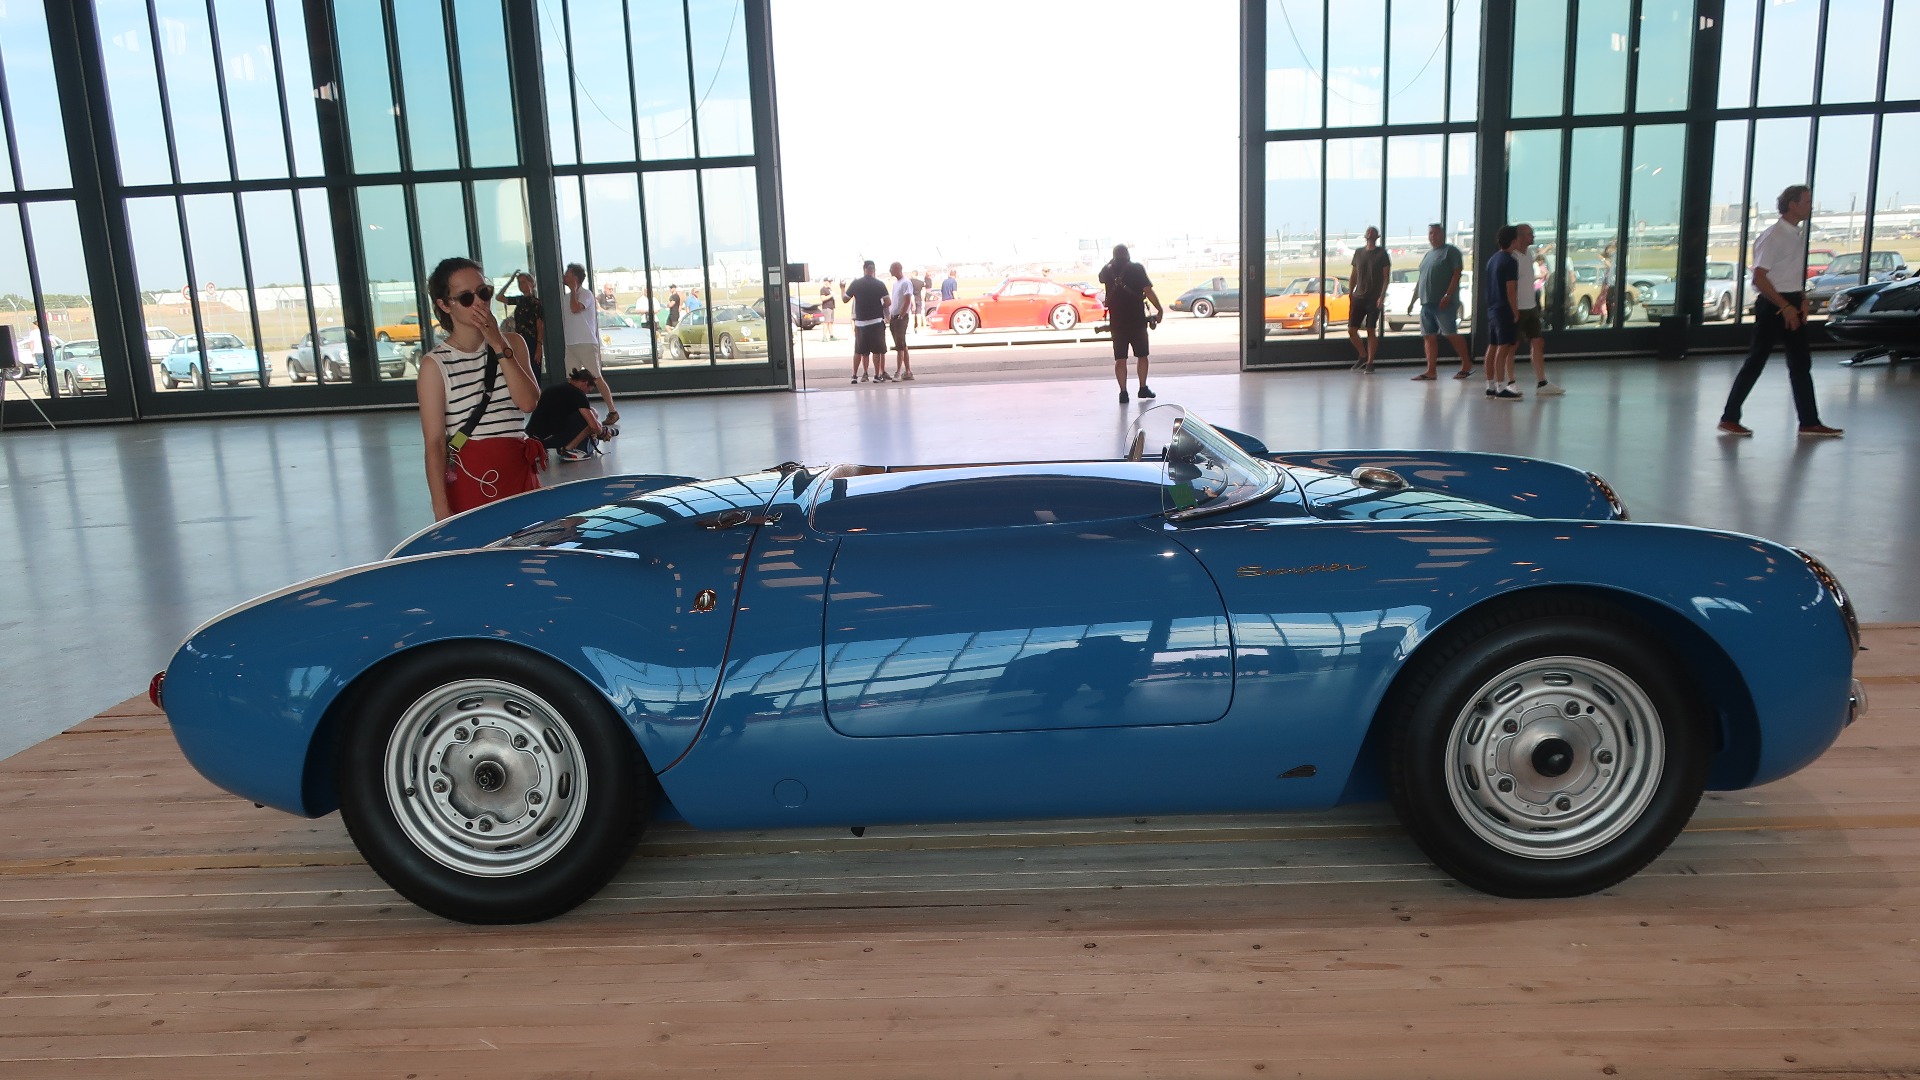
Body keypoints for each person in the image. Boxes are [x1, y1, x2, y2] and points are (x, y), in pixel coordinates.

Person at [416, 257, 542, 519]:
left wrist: (498, 344)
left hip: (518, 477)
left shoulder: (513, 345)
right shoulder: (435, 365)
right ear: (444, 305)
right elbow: (435, 443)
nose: (479, 303)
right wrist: (441, 510)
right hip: (473, 482)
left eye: (484, 292)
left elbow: (528, 402)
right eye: (465, 298)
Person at [1719, 184, 1843, 437]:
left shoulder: (1794, 235)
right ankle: (1729, 417)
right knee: (1756, 361)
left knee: (1800, 363)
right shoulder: (1774, 236)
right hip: (1775, 306)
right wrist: (1785, 306)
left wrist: (1801, 298)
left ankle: (1809, 421)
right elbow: (1760, 279)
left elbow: (1787, 274)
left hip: (1790, 302)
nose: (1811, 207)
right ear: (1792, 205)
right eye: (1807, 202)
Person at [1098, 244, 1164, 404]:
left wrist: (1111, 262)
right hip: (1137, 320)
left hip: (1117, 322)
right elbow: (1148, 291)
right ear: (1128, 255)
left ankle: (1123, 392)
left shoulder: (1107, 270)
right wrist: (1159, 309)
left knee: (1120, 359)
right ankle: (1142, 388)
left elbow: (1101, 278)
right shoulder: (1137, 268)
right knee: (1142, 355)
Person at [1411, 223, 1473, 381]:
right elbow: (1421, 279)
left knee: (1450, 333)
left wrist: (1448, 295)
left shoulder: (1450, 252)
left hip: (1444, 303)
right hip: (1426, 303)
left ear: (1443, 235)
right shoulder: (1428, 255)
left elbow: (1456, 273)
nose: (1433, 236)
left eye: (1436, 233)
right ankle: (1430, 370)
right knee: (1428, 336)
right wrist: (1413, 300)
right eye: (1430, 233)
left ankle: (1467, 364)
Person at [561, 262, 620, 428]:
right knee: (571, 379)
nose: (564, 276)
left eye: (568, 274)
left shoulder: (586, 295)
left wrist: (573, 290)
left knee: (595, 376)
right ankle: (576, 412)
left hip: (586, 342)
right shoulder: (565, 297)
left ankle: (612, 411)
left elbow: (575, 309)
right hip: (571, 343)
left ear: (575, 277)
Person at [1512, 225, 1563, 396]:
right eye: (1529, 235)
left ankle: (1542, 383)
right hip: (1517, 308)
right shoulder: (1512, 257)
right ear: (1519, 237)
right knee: (1511, 346)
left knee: (1538, 342)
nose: (1532, 237)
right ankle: (1510, 383)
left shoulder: (1529, 254)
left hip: (1531, 306)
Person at [525, 367, 614, 462]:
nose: (586, 393)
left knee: (589, 416)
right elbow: (593, 425)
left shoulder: (555, 388)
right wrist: (602, 433)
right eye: (588, 391)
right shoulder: (578, 394)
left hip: (533, 436)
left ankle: (542, 449)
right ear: (586, 383)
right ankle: (568, 449)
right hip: (549, 439)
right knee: (592, 414)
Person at [1482, 225, 1522, 401]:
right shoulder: (1510, 261)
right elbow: (1511, 289)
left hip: (1492, 308)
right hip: (1503, 308)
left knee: (1492, 346)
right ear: (1513, 241)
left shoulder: (1493, 260)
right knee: (1504, 346)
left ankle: (1490, 385)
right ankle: (1500, 386)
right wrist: (1515, 311)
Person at [1346, 227, 1391, 372]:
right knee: (1352, 330)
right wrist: (1350, 292)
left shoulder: (1382, 254)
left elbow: (1386, 277)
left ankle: (1370, 362)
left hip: (1374, 298)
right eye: (1368, 231)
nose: (1370, 233)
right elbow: (1354, 274)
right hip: (1359, 297)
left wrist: (1382, 296)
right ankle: (1362, 355)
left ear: (1378, 236)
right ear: (1365, 235)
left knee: (1371, 329)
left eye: (1373, 231)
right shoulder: (1359, 253)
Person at [843, 260, 890, 383]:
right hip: (876, 321)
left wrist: (842, 288)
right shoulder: (880, 284)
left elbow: (845, 299)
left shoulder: (856, 283)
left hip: (861, 322)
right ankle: (876, 375)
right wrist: (879, 307)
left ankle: (854, 375)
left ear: (864, 269)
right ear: (873, 270)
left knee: (859, 350)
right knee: (877, 350)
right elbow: (888, 302)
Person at [498, 271, 545, 373]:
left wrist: (539, 346)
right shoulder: (519, 300)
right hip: (520, 340)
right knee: (522, 370)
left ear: (531, 283)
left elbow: (540, 325)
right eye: (519, 282)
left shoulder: (536, 302)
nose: (521, 285)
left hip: (532, 340)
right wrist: (510, 280)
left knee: (534, 370)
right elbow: (499, 297)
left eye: (524, 282)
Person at [888, 262, 916, 381]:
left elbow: (907, 300)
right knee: (902, 345)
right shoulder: (896, 284)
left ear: (898, 269)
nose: (890, 271)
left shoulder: (906, 282)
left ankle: (898, 372)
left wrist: (901, 315)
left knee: (899, 346)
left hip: (901, 318)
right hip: (894, 317)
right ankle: (908, 371)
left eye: (891, 269)